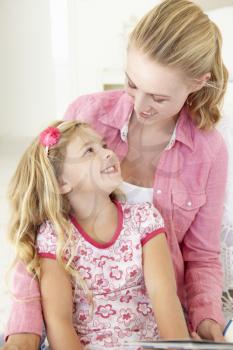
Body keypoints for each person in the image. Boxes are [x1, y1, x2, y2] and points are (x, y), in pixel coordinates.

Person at [3, 0, 229, 348]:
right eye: (131, 83)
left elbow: (202, 256)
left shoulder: (209, 151)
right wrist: (24, 331)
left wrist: (206, 319)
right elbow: (39, 226)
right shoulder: (86, 115)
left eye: (158, 97)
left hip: (155, 326)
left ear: (198, 83)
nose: (139, 106)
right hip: (80, 320)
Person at [4, 120, 190, 350]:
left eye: (103, 145)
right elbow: (59, 321)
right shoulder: (55, 236)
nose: (108, 153)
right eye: (89, 151)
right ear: (62, 183)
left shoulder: (144, 219)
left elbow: (164, 296)